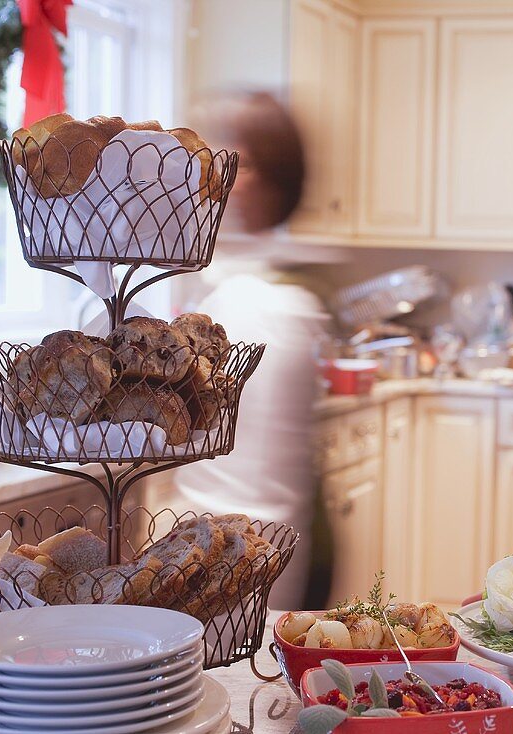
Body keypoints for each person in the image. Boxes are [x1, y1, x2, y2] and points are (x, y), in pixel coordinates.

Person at [173, 92, 334, 610]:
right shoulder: (220, 276)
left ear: (272, 180)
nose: (216, 170)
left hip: (253, 554)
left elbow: (257, 485)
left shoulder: (274, 304)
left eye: (238, 158)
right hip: (222, 542)